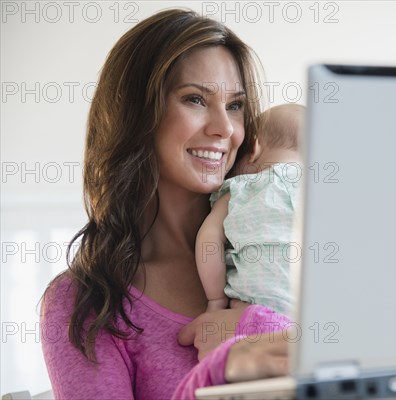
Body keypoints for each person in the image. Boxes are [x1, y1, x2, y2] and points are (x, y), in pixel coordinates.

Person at [40, 9, 291, 400]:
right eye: (195, 99)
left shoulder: (285, 248)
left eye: (236, 105)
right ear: (137, 114)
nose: (224, 128)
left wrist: (253, 324)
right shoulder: (86, 303)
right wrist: (218, 371)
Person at [197, 104, 304, 315]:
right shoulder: (328, 194)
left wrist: (216, 299)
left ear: (253, 149)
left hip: (257, 308)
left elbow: (208, 240)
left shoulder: (241, 188)